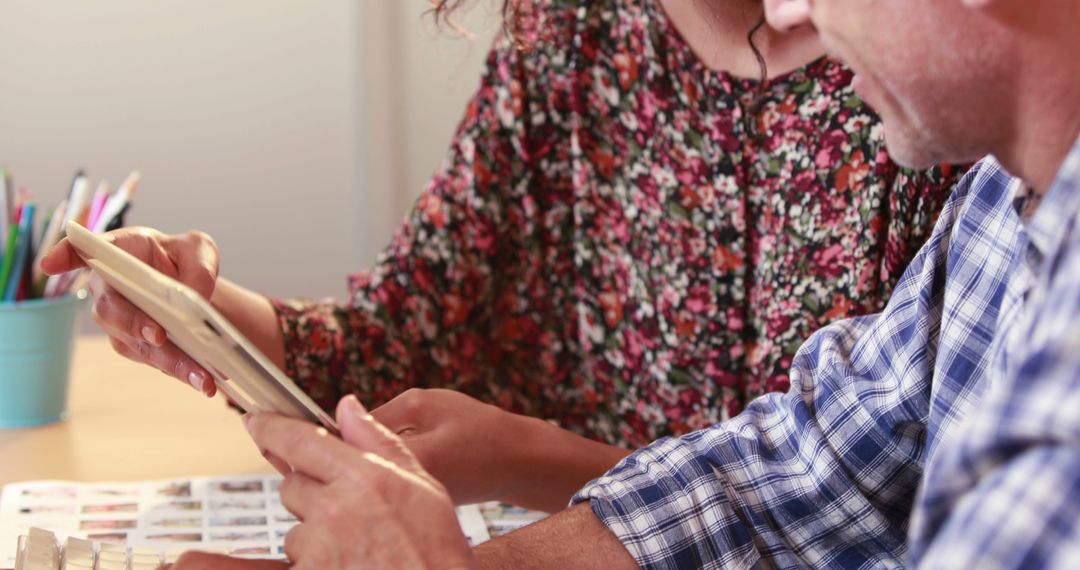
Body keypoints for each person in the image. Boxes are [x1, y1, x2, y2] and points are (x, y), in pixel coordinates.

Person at [155, 0, 1080, 566]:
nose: (791, 7)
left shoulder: (935, 108)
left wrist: (497, 501)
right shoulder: (1008, 198)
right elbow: (802, 473)